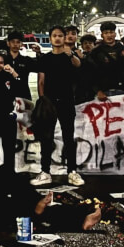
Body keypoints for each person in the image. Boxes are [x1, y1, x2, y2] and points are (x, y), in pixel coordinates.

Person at [33, 26, 82, 187]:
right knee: (46, 139)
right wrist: (43, 100)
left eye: (61, 35)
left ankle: (72, 172)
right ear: (50, 38)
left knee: (69, 138)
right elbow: (41, 81)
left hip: (67, 101)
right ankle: (45, 171)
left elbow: (78, 65)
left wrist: (71, 54)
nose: (58, 38)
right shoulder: (45, 59)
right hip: (50, 102)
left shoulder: (69, 56)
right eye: (55, 35)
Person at [88, 22, 124, 100]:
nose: (109, 35)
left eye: (111, 32)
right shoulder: (96, 51)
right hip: (103, 91)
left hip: (123, 89)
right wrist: (98, 91)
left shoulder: (123, 49)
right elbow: (90, 73)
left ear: (115, 34)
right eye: (106, 33)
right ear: (102, 35)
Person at [6, 31, 39, 101]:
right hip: (6, 98)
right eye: (12, 42)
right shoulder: (2, 60)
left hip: (23, 97)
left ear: (21, 44)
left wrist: (39, 53)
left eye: (18, 42)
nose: (15, 44)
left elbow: (41, 67)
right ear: (8, 43)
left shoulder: (26, 60)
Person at [73, 34, 98, 105]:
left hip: (94, 89)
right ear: (82, 46)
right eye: (85, 43)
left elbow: (95, 67)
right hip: (80, 90)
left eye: (90, 43)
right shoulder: (77, 56)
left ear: (94, 45)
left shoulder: (97, 55)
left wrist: (84, 57)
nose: (88, 45)